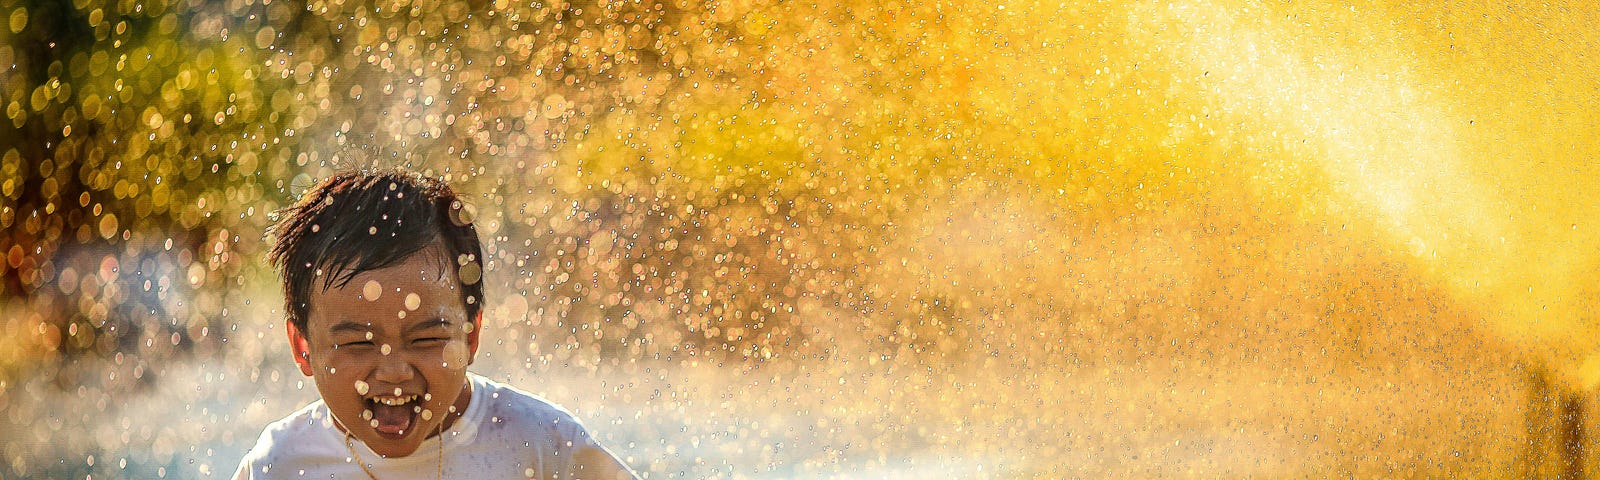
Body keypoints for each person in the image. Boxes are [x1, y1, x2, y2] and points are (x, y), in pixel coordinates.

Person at [234, 168, 636, 479]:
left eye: (426, 338)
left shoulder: (540, 443)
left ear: (471, 335)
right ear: (302, 347)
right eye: (358, 344)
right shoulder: (281, 465)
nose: (394, 370)